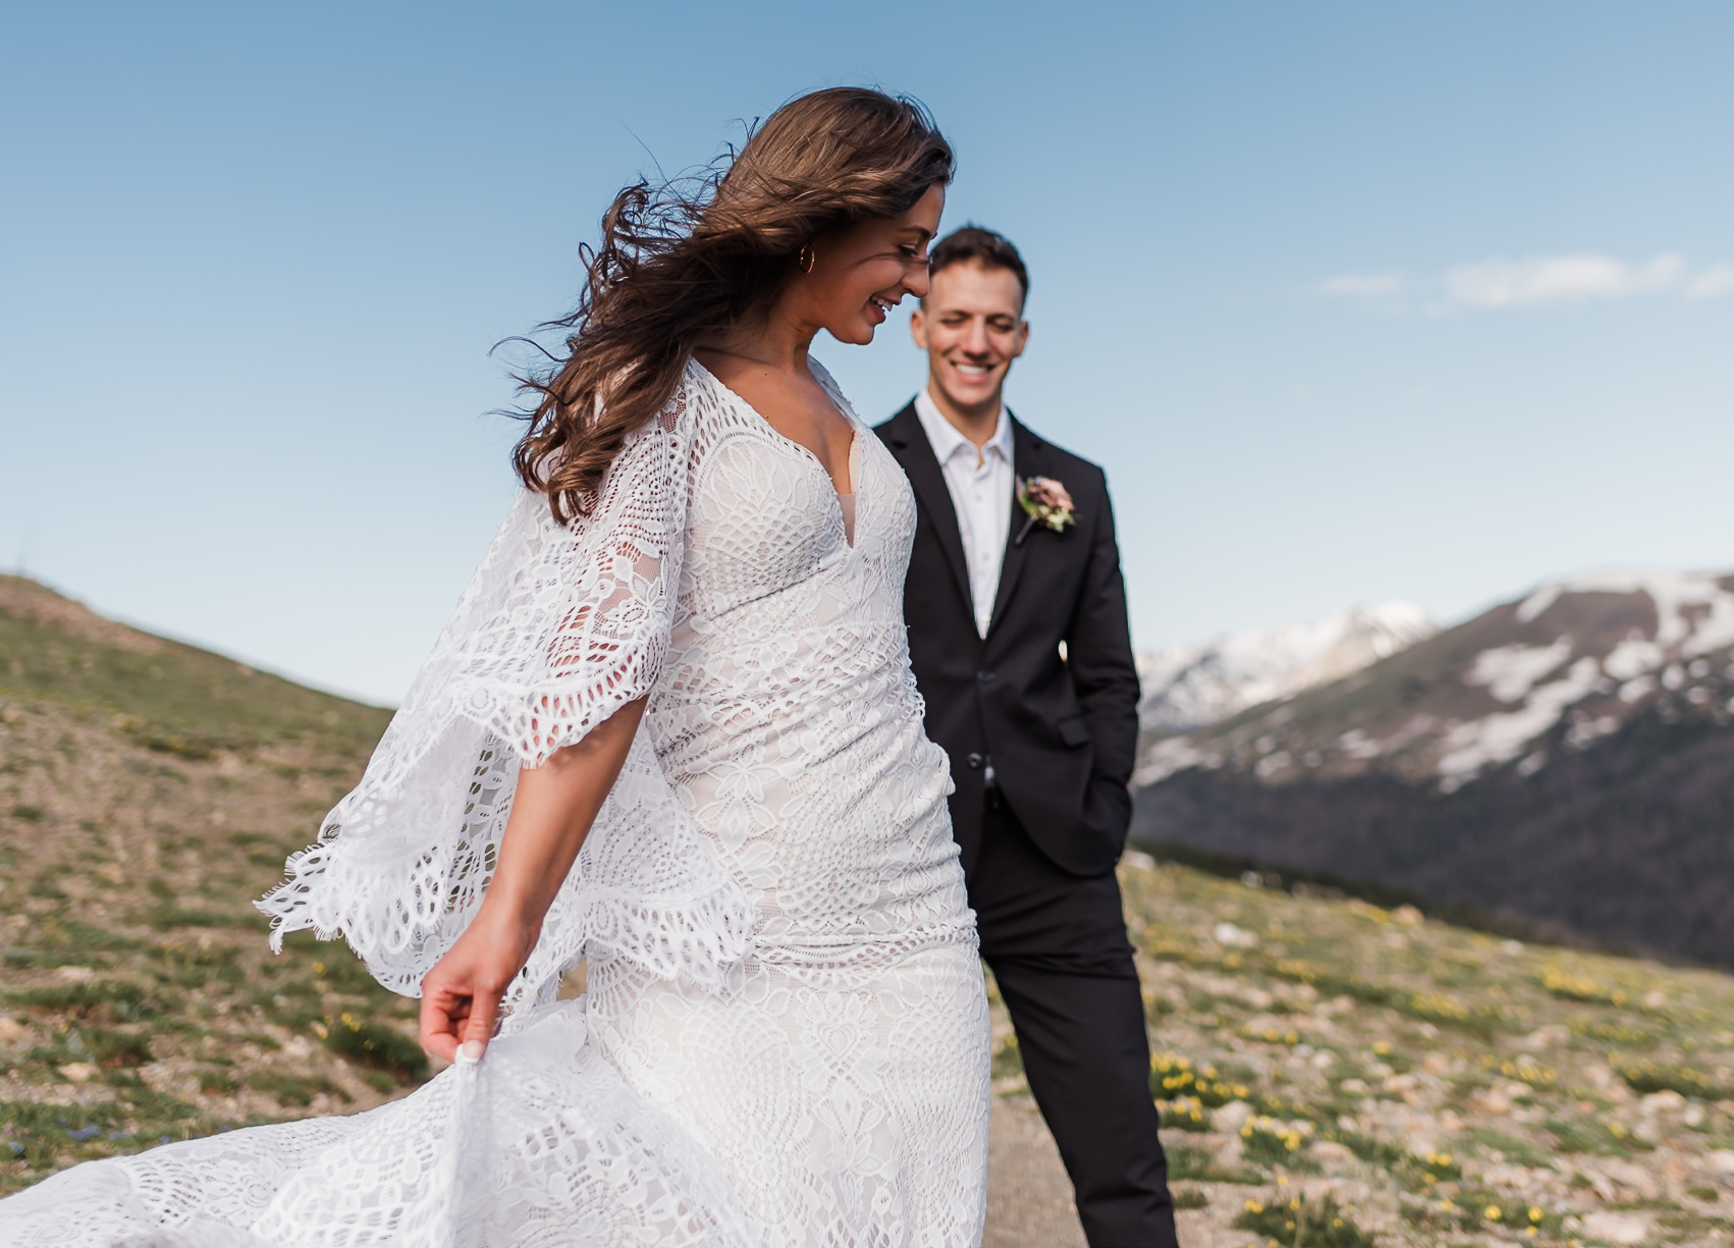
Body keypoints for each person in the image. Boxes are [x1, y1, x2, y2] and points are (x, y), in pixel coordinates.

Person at [0, 88, 990, 1248]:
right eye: (907, 249)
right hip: (741, 933)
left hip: (912, 910)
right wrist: (505, 918)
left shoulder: (833, 399)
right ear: (819, 218)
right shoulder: (675, 402)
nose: (919, 285)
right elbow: (597, 680)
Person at [875, 227, 1177, 1247]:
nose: (974, 340)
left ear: (1022, 335)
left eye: (996, 322)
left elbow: (1107, 673)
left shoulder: (1073, 487)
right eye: (954, 317)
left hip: (1056, 854)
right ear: (917, 324)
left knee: (1121, 1151)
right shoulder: (862, 465)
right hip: (905, 848)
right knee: (888, 1141)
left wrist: (1104, 805)